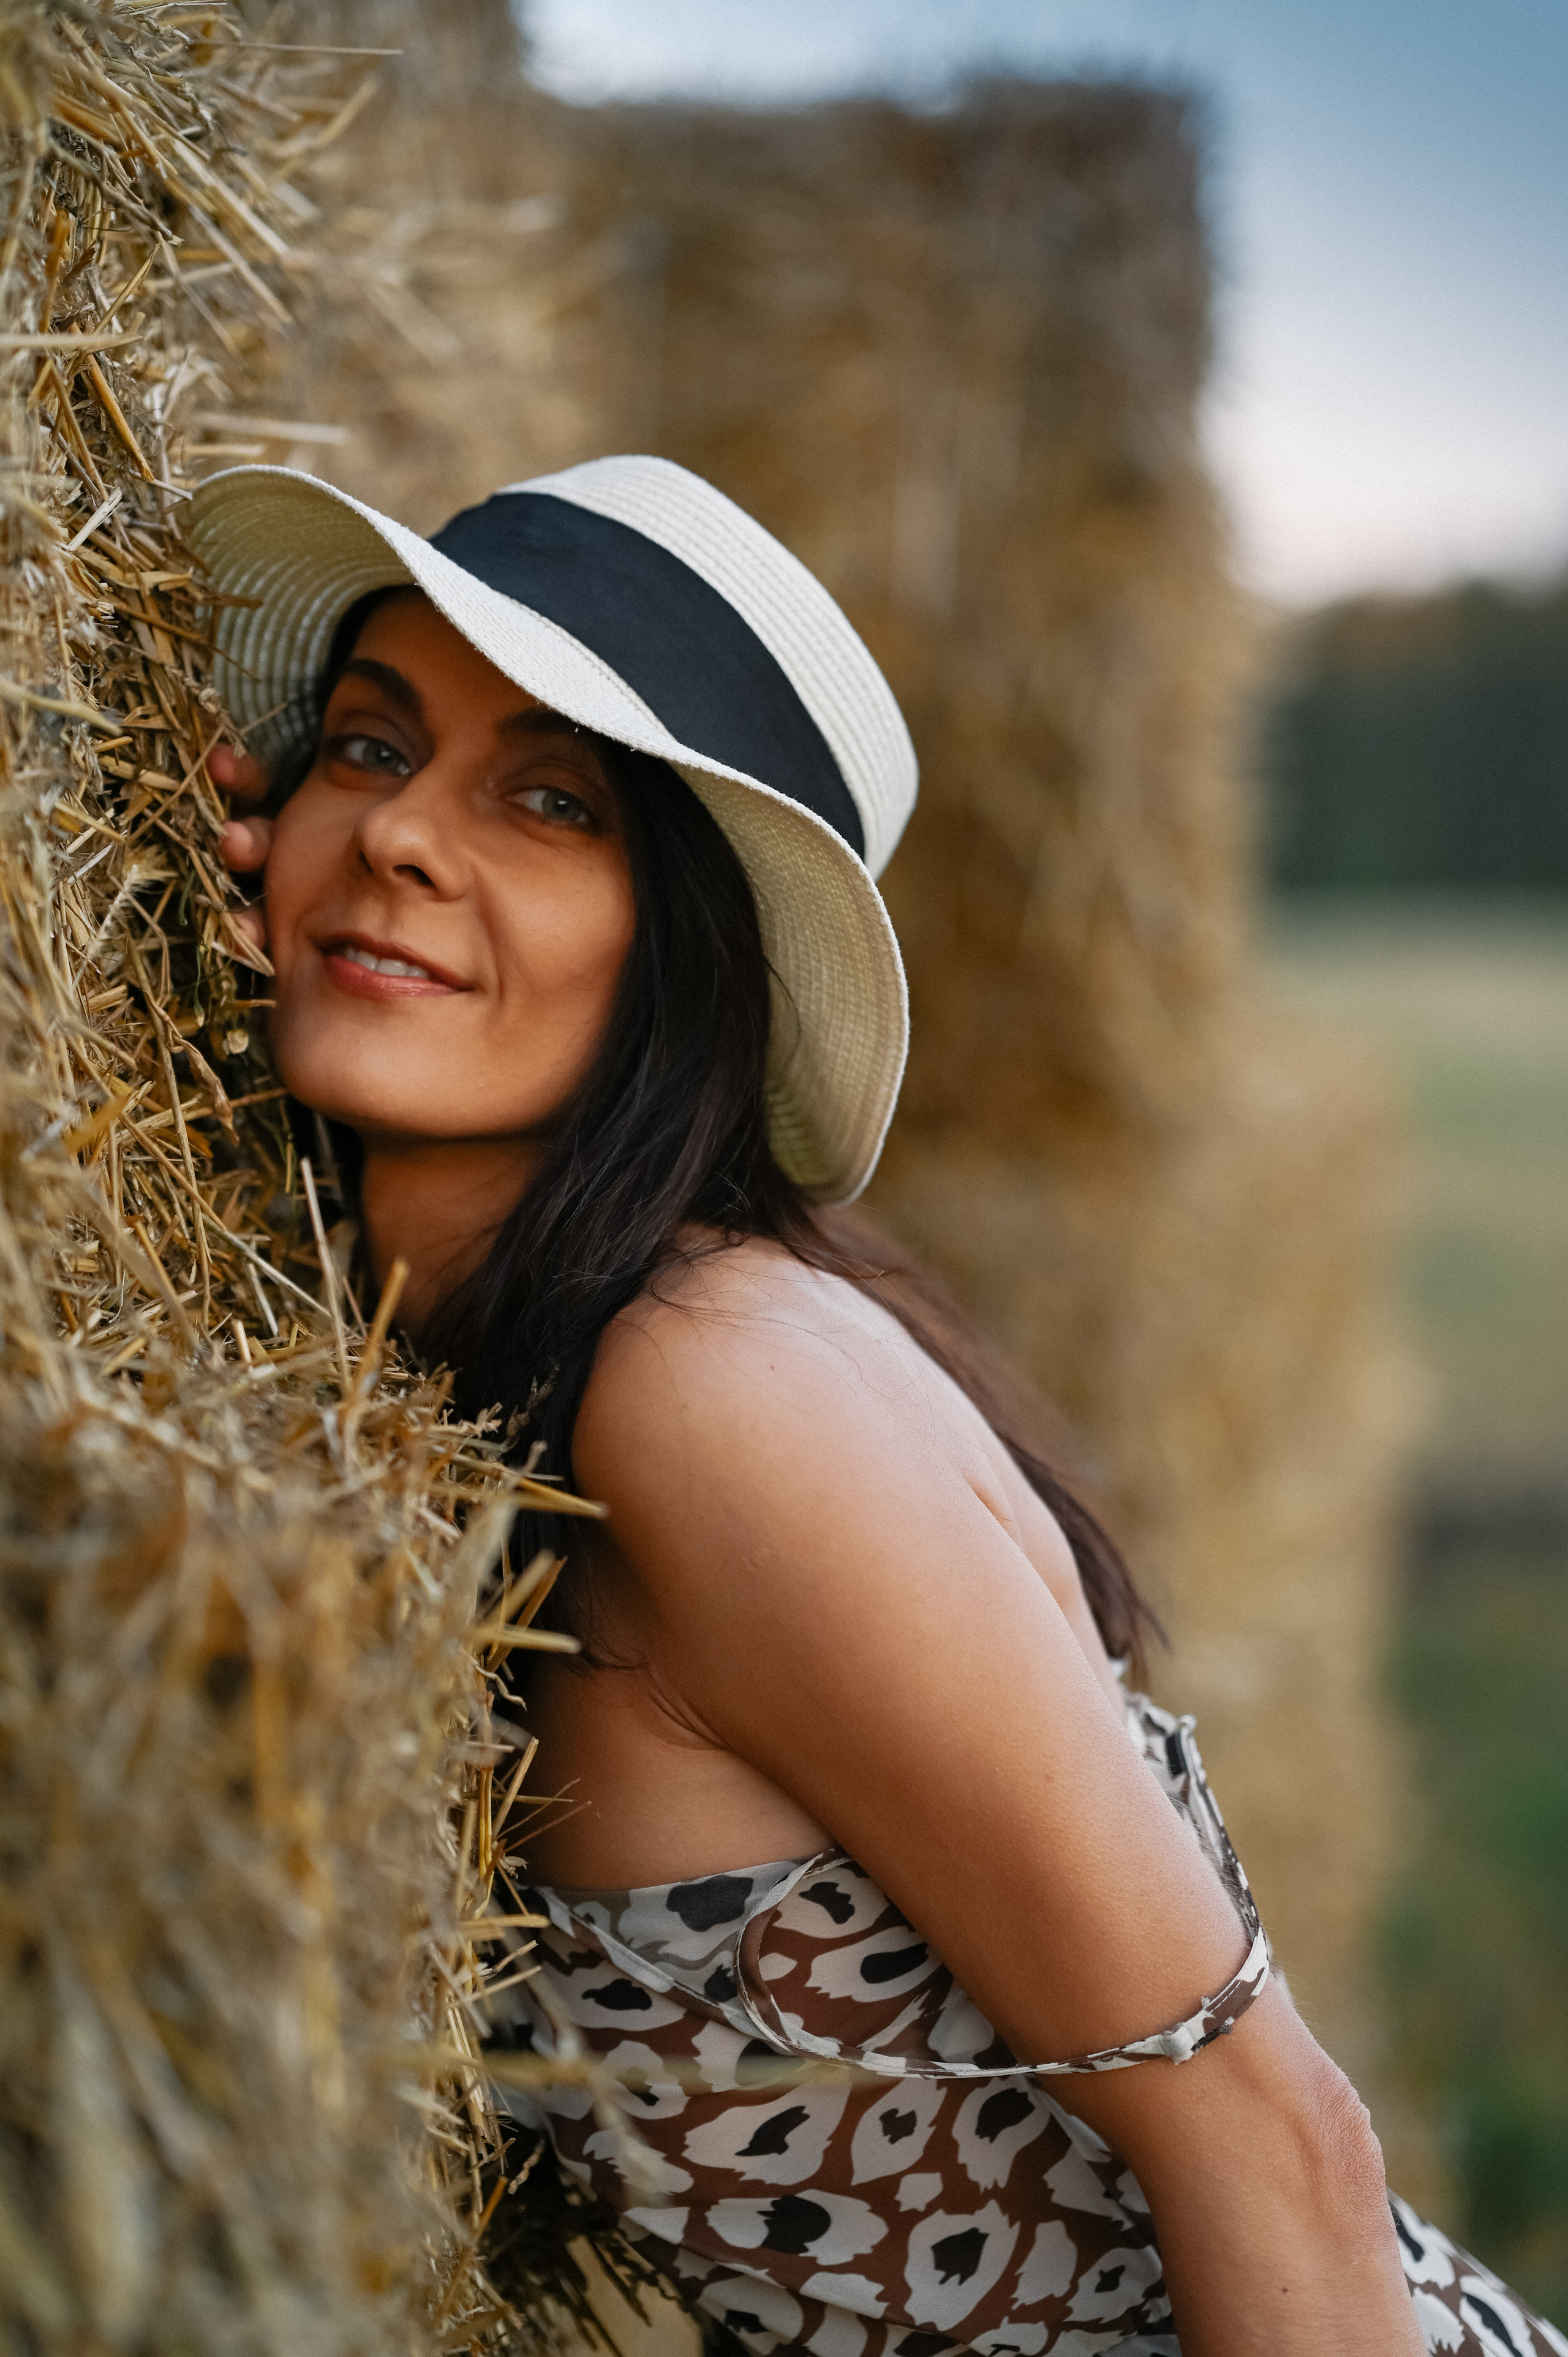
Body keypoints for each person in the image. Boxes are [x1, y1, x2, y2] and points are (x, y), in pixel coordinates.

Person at [192, 456, 1562, 2357]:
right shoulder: (484, 1355)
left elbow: (1278, 2148)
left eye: (551, 799)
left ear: (688, 942)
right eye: (366, 749)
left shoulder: (708, 1395)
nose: (410, 839)